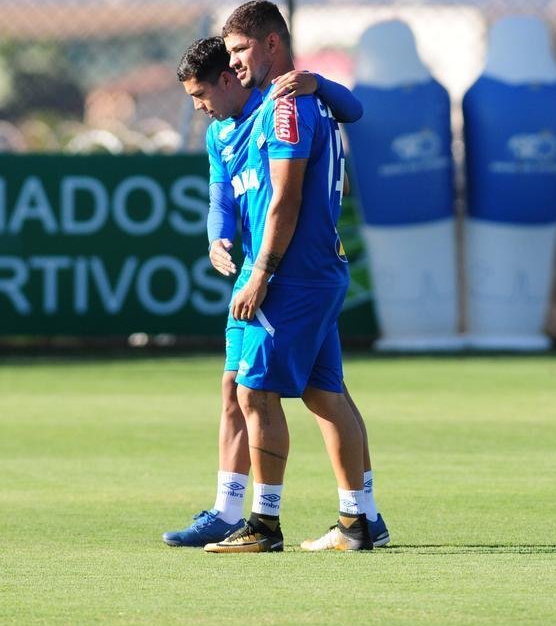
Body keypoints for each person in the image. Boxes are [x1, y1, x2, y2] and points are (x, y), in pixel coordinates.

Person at [163, 36, 388, 549]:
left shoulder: (282, 105)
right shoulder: (221, 132)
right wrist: (216, 236)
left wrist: (263, 270)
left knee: (256, 392)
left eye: (201, 94)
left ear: (229, 77)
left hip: (288, 271)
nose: (198, 108)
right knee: (302, 392)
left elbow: (289, 194)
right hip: (271, 268)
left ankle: (263, 523)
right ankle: (349, 517)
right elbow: (222, 193)